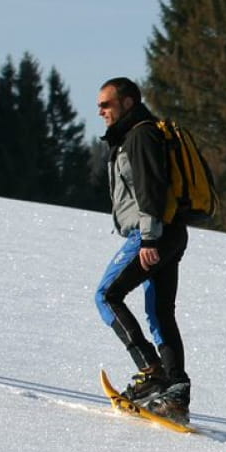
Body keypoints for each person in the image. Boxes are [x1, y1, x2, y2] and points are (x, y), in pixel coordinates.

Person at [95, 77, 191, 423]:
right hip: (170, 232)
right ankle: (175, 393)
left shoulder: (140, 135)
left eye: (107, 104)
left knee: (107, 295)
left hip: (153, 232)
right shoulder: (136, 135)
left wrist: (149, 239)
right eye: (100, 105)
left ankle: (151, 372)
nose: (101, 111)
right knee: (160, 312)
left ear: (129, 102)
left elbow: (152, 187)